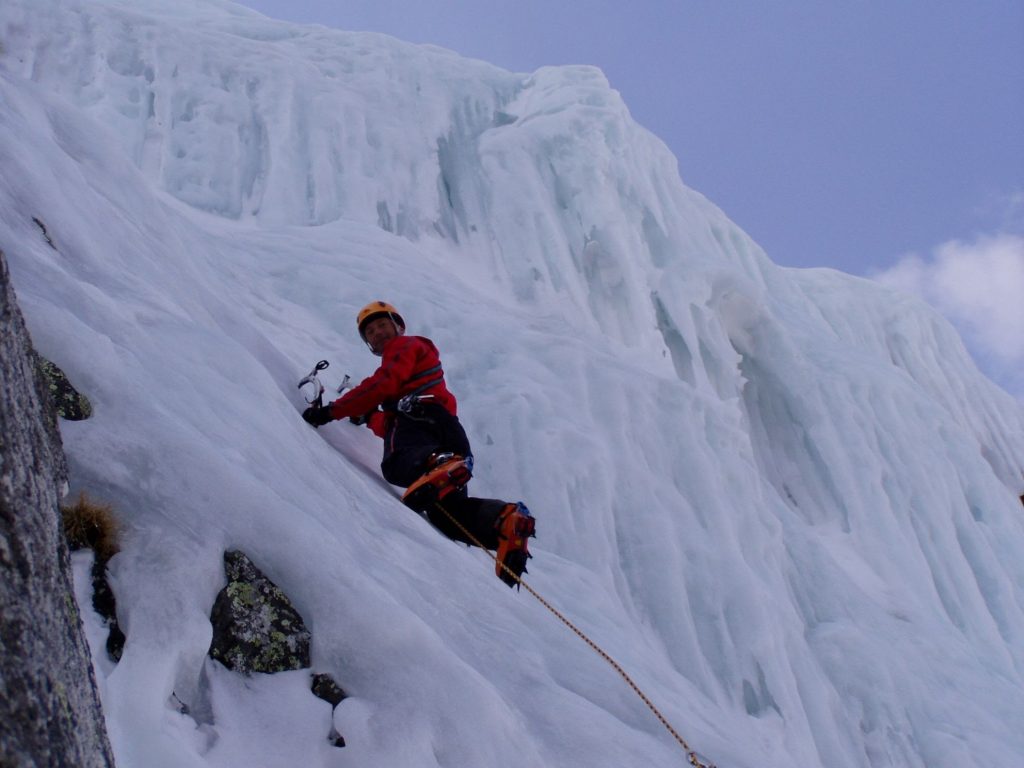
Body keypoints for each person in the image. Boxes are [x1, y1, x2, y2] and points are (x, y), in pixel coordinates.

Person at [302, 300, 535, 587]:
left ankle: (438, 463)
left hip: (421, 421)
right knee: (447, 516)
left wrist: (329, 411)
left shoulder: (404, 346)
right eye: (371, 332)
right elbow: (389, 424)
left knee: (396, 465)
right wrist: (367, 416)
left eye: (382, 326)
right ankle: (504, 521)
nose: (377, 333)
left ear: (398, 326)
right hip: (446, 433)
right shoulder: (410, 375)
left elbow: (382, 385)